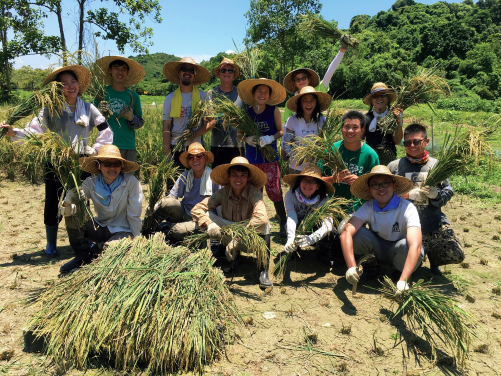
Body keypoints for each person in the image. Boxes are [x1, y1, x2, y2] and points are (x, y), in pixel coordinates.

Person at [0, 65, 113, 257]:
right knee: (53, 200)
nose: (70, 86)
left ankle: (83, 237)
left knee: (82, 200)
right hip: (56, 161)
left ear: (79, 84)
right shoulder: (49, 110)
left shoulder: (88, 107)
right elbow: (33, 132)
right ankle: (51, 242)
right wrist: (13, 132)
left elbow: (106, 130)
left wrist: (94, 150)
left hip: (81, 162)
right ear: (55, 88)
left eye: (73, 82)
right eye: (64, 84)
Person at [388, 123, 465, 275]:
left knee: (456, 254)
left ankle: (434, 259)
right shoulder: (395, 166)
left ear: (426, 141)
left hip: (433, 224)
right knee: (403, 265)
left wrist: (437, 195)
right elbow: (382, 195)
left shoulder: (437, 166)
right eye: (407, 142)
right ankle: (413, 258)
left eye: (416, 141)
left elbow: (448, 192)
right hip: (404, 228)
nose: (412, 145)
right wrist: (406, 195)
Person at [191, 156, 272, 289]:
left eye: (242, 175)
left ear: (248, 178)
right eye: (234, 174)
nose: (238, 179)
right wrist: (209, 224)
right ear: (228, 177)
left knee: (265, 226)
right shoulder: (222, 193)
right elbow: (197, 209)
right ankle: (203, 262)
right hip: (228, 232)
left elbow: (261, 218)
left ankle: (263, 270)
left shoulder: (254, 193)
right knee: (203, 216)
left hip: (248, 238)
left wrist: (239, 238)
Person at [59, 145, 142, 273]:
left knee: (109, 250)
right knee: (73, 212)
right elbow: (69, 208)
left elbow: (134, 214)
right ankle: (81, 256)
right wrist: (68, 201)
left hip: (122, 230)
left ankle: (94, 254)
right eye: (107, 164)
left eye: (116, 164)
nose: (112, 168)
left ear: (122, 166)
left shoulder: (131, 182)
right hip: (100, 227)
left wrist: (137, 239)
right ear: (99, 165)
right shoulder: (90, 182)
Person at [340, 165, 424, 292]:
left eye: (386, 183)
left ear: (394, 186)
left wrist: (404, 280)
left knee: (410, 246)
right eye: (375, 185)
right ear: (369, 189)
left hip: (398, 250)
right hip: (378, 248)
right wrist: (351, 267)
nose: (381, 188)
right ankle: (369, 267)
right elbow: (345, 233)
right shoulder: (368, 207)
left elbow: (415, 245)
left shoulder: (407, 208)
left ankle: (400, 274)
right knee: (357, 234)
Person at [236, 78, 288, 237]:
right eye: (260, 91)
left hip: (270, 160)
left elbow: (281, 131)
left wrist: (271, 138)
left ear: (269, 95)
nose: (262, 94)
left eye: (266, 92)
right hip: (252, 160)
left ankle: (283, 222)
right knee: (253, 192)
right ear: (253, 93)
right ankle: (254, 224)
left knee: (275, 191)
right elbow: (239, 134)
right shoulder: (246, 112)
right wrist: (247, 139)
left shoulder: (273, 111)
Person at [147, 142, 220, 242]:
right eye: (191, 157)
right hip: (185, 212)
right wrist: (156, 206)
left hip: (202, 217)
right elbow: (172, 196)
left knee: (179, 231)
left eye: (199, 156)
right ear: (188, 161)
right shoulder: (185, 176)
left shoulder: (213, 178)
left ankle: (164, 228)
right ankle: (150, 225)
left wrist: (219, 223)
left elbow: (220, 201)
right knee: (168, 203)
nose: (195, 159)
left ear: (205, 159)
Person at [319, 110, 380, 212]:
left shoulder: (370, 155)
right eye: (346, 127)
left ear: (362, 130)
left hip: (358, 208)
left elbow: (378, 186)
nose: (350, 131)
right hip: (331, 206)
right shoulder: (331, 150)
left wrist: (359, 183)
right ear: (341, 129)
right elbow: (317, 180)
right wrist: (332, 179)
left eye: (355, 127)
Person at [282, 35, 349, 120]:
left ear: (309, 79)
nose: (301, 81)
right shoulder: (290, 103)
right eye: (297, 79)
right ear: (293, 82)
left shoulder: (318, 90)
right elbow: (287, 126)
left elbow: (330, 72)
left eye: (304, 78)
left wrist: (342, 49)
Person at [162, 57, 211, 170]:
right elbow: (166, 126)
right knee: (175, 185)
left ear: (195, 74)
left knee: (196, 183)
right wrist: (167, 153)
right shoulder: (170, 98)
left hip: (197, 147)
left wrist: (195, 133)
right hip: (176, 147)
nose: (187, 72)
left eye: (191, 70)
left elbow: (211, 122)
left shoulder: (204, 96)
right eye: (184, 69)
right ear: (178, 73)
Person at [94, 56, 145, 162]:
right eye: (116, 68)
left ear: (127, 73)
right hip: (106, 144)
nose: (120, 72)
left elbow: (140, 122)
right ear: (110, 70)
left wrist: (131, 118)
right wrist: (99, 113)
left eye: (123, 69)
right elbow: (91, 120)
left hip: (128, 145)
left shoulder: (134, 96)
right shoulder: (102, 93)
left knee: (128, 177)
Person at [282, 164, 336, 256]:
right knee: (288, 225)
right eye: (304, 180)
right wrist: (291, 238)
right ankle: (294, 248)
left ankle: (323, 251)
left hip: (315, 229)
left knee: (330, 232)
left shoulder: (324, 200)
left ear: (318, 186)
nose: (307, 184)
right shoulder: (290, 195)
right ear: (299, 182)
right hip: (298, 226)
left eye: (312, 181)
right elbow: (291, 216)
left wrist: (312, 238)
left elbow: (328, 224)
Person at [205, 57, 245, 168]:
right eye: (223, 70)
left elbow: (247, 117)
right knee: (218, 181)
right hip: (217, 145)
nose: (227, 72)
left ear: (233, 74)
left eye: (230, 70)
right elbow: (209, 117)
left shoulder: (241, 94)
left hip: (237, 145)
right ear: (219, 73)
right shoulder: (211, 94)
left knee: (238, 179)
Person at [282, 86, 332, 174]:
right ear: (300, 103)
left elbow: (326, 144)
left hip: (315, 167)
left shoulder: (322, 121)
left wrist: (315, 155)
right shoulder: (292, 120)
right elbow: (287, 144)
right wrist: (298, 157)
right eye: (305, 101)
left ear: (316, 103)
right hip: (296, 167)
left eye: (312, 100)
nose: (309, 104)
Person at [362, 82, 404, 165]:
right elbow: (360, 139)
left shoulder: (394, 116)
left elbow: (397, 140)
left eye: (383, 95)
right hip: (370, 156)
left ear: (387, 99)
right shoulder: (366, 118)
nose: (379, 98)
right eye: (375, 96)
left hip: (388, 157)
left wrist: (400, 121)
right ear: (371, 101)